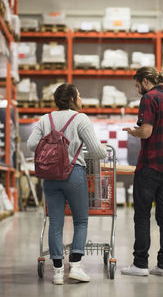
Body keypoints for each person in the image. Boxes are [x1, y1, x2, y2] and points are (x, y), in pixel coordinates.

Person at [27, 83, 107, 284]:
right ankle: (76, 266)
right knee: (80, 221)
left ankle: (57, 272)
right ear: (72, 99)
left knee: (55, 223)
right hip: (74, 175)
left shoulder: (46, 119)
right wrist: (104, 151)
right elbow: (96, 151)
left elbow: (30, 145)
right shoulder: (80, 119)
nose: (81, 99)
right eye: (79, 95)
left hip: (50, 177)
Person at [121, 67, 163, 277]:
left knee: (142, 216)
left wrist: (133, 132)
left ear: (146, 81)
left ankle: (140, 265)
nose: (138, 89)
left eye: (138, 85)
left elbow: (146, 132)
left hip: (150, 167)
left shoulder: (149, 99)